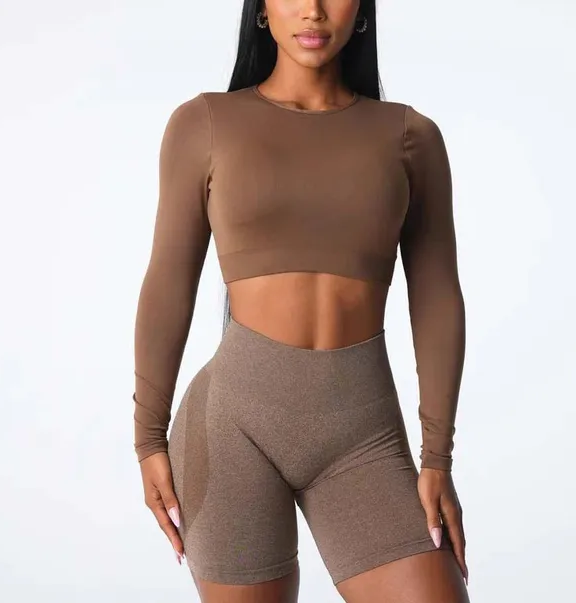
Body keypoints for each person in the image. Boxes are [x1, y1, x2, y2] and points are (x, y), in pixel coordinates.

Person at [132, 1, 469, 601]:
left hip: (364, 436)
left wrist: (437, 457)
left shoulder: (409, 137)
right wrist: (147, 439)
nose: (312, 10)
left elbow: (438, 296)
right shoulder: (205, 123)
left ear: (361, 9)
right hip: (231, 428)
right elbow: (168, 282)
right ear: (261, 9)